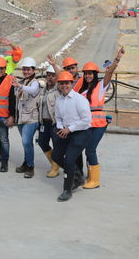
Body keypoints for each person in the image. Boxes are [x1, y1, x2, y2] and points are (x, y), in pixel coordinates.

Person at [80, 47, 125, 189]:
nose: (88, 76)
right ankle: (90, 176)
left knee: (90, 150)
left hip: (99, 124)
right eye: (86, 73)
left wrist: (117, 58)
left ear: (95, 74)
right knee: (87, 149)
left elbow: (109, 72)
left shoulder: (101, 86)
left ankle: (95, 180)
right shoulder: (82, 90)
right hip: (87, 124)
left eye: (90, 73)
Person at [52, 71, 92, 202]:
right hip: (66, 131)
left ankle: (67, 190)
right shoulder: (59, 100)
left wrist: (69, 129)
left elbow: (86, 120)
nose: (64, 85)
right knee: (56, 156)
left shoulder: (80, 100)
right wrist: (60, 127)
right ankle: (77, 175)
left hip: (80, 132)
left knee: (69, 161)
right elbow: (58, 117)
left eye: (67, 83)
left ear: (72, 83)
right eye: (62, 83)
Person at [11, 57, 41, 178]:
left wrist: (19, 85)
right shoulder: (23, 82)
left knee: (26, 141)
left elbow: (33, 91)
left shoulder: (35, 83)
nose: (26, 71)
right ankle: (26, 162)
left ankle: (30, 166)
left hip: (31, 118)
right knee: (26, 143)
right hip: (21, 117)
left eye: (29, 69)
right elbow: (18, 97)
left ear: (34, 70)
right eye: (24, 69)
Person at [37, 63, 61, 178]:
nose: (50, 77)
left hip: (55, 122)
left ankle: (55, 167)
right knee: (42, 142)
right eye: (48, 75)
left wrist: (54, 64)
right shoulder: (43, 89)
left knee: (57, 145)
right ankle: (55, 164)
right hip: (44, 122)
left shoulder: (59, 89)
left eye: (53, 75)